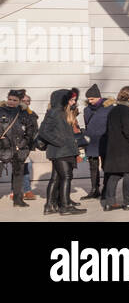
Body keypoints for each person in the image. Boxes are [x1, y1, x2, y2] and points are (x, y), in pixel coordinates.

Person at [38, 88, 88, 216]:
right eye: (70, 99)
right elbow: (44, 131)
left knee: (56, 178)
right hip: (60, 151)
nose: (73, 102)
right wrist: (60, 142)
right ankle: (65, 207)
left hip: (64, 150)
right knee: (66, 177)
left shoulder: (62, 112)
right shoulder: (54, 112)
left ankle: (50, 205)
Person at [102, 86, 129, 211]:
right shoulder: (127, 110)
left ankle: (110, 202)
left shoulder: (115, 109)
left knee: (114, 175)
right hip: (127, 149)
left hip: (115, 148)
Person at [1, 89, 38, 207]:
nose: (11, 102)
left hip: (19, 149)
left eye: (14, 100)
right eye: (10, 99)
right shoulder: (0, 111)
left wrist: (23, 144)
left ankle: (18, 200)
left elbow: (30, 131)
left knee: (18, 175)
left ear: (19, 101)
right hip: (2, 148)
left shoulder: (25, 113)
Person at [82, 85, 108, 200]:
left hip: (105, 139)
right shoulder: (87, 110)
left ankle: (107, 188)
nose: (90, 101)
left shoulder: (108, 107)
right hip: (92, 141)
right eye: (88, 99)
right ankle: (94, 189)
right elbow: (87, 123)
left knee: (106, 165)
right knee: (93, 166)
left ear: (99, 97)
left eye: (92, 99)